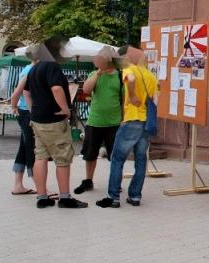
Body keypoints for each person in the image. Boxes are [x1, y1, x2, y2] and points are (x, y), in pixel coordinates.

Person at [23, 40, 87, 209]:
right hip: (53, 120)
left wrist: (33, 111)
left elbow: (26, 92)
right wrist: (65, 109)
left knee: (40, 157)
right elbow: (57, 89)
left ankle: (42, 196)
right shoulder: (52, 66)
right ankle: (65, 197)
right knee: (62, 158)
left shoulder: (35, 68)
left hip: (37, 119)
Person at [96, 46, 157, 208]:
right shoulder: (150, 75)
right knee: (141, 160)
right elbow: (155, 97)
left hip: (132, 121)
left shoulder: (129, 69)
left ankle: (113, 197)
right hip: (146, 122)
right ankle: (135, 196)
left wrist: (133, 95)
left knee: (117, 159)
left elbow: (130, 79)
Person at [75, 48, 122, 195]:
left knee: (115, 156)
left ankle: (115, 182)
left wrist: (124, 119)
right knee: (90, 154)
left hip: (114, 123)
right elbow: (86, 90)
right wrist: (98, 73)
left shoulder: (119, 76)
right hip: (95, 121)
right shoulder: (94, 74)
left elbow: (124, 99)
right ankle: (88, 181)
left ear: (108, 60)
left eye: (99, 58)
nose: (96, 60)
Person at [9, 53, 39, 195]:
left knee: (23, 147)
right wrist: (14, 106)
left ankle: (18, 185)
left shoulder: (28, 68)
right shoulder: (31, 71)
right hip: (27, 113)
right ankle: (38, 183)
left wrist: (16, 107)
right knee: (31, 148)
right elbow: (18, 92)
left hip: (24, 112)